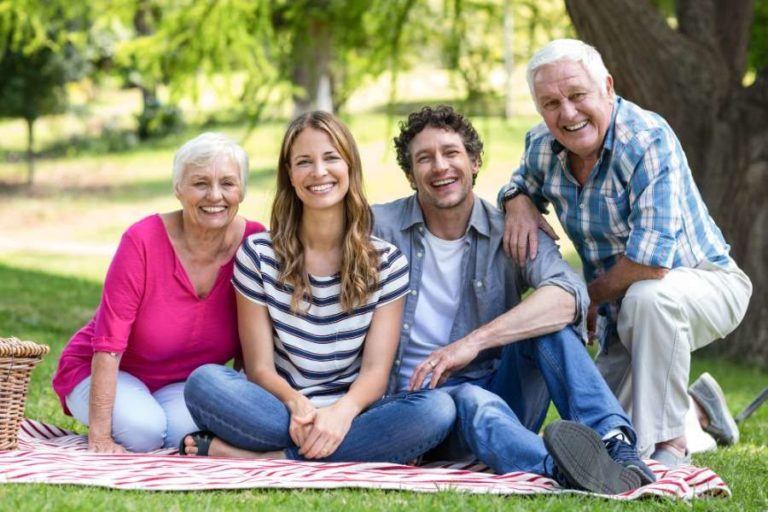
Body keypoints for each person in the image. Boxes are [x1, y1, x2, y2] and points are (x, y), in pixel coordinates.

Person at [372, 104, 654, 494]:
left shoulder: (511, 229)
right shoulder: (378, 228)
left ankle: (614, 447)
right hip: (413, 410)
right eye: (425, 158)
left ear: (474, 161)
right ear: (410, 174)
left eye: (451, 153)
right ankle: (562, 468)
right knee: (469, 398)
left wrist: (470, 344)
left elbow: (568, 296)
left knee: (547, 330)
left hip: (501, 399)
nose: (440, 167)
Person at [498, 39, 752, 466]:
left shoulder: (647, 139)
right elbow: (520, 182)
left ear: (608, 88)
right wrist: (516, 201)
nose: (568, 113)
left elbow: (652, 264)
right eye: (551, 103)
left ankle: (671, 446)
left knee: (650, 298)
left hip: (707, 284)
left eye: (577, 95)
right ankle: (700, 409)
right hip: (624, 310)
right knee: (608, 431)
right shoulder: (541, 146)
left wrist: (587, 299)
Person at [180, 111, 455, 463]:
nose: (319, 173)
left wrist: (340, 415)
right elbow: (260, 367)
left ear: (350, 167)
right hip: (279, 410)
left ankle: (270, 458)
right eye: (304, 162)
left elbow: (374, 374)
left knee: (438, 409)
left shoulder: (387, 262)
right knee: (205, 382)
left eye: (330, 158)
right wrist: (299, 407)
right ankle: (339, 450)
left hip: (354, 413)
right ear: (290, 175)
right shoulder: (258, 255)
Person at [51, 133, 265, 453]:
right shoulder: (143, 241)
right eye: (200, 183)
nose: (215, 195)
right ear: (178, 188)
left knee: (183, 431)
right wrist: (100, 437)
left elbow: (255, 343)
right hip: (105, 370)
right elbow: (108, 345)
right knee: (144, 432)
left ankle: (148, 416)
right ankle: (130, 418)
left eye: (228, 183)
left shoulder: (255, 242)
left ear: (242, 190)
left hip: (184, 384)